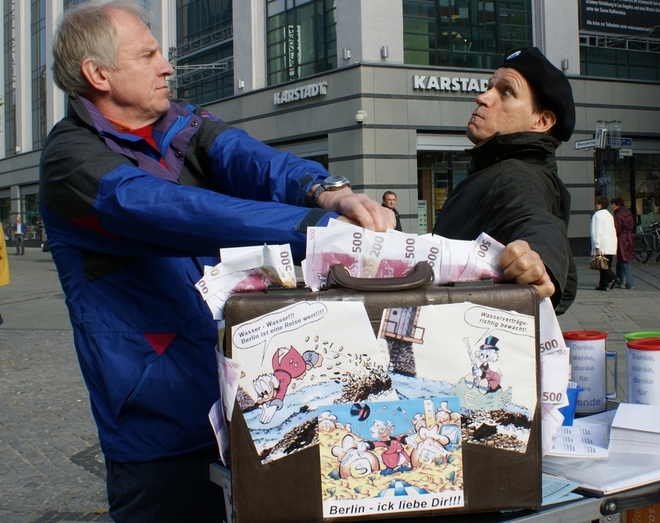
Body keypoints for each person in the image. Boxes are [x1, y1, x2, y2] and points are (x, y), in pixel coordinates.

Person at [38, 3, 394, 522]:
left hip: (253, 405)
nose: (167, 66)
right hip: (160, 427)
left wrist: (323, 190)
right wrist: (310, 230)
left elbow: (249, 158)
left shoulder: (182, 124)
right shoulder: (71, 161)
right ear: (99, 75)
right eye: (149, 54)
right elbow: (172, 211)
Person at [432, 47, 577, 314]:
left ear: (541, 120)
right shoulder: (493, 171)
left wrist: (537, 259)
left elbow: (534, 220)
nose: (483, 97)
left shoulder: (513, 175)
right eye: (489, 87)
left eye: (506, 92)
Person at [590, 196, 618, 291]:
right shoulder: (609, 215)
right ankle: (603, 285)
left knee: (601, 265)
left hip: (602, 244)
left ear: (600, 204)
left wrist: (596, 245)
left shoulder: (597, 215)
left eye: (597, 203)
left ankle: (613, 277)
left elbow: (596, 231)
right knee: (607, 264)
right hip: (610, 243)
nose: (596, 205)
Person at [610, 197, 635, 289]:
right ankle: (620, 280)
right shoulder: (627, 212)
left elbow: (617, 228)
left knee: (624, 261)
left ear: (616, 205)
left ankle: (629, 282)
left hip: (621, 238)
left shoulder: (617, 215)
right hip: (629, 237)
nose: (611, 207)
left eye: (612, 205)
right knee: (623, 260)